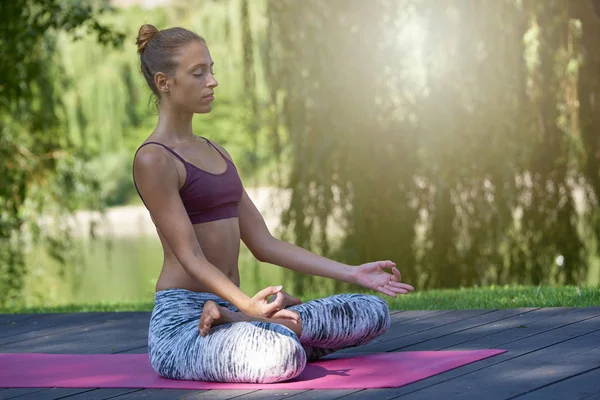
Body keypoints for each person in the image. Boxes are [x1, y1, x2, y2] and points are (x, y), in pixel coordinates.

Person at [132, 24, 415, 384]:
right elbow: (190, 257)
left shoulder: (216, 152)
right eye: (198, 73)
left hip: (234, 308)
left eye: (212, 69)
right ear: (164, 82)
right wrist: (250, 306)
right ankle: (257, 324)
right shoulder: (154, 159)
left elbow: (264, 245)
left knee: (372, 311)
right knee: (283, 356)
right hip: (185, 327)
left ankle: (244, 321)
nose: (213, 81)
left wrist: (352, 272)